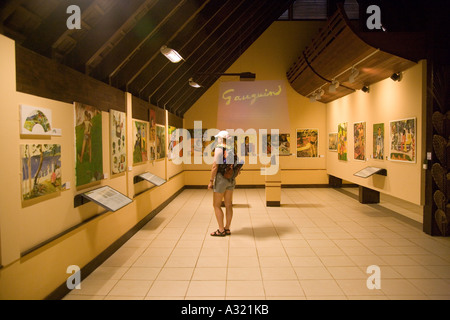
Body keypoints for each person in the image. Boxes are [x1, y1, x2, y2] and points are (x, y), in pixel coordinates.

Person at [208, 131, 240, 237]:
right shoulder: (232, 148)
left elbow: (215, 167)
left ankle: (221, 230)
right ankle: (227, 228)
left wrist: (211, 181)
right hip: (231, 179)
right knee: (228, 204)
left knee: (216, 205)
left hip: (221, 179)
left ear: (221, 139)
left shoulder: (219, 148)